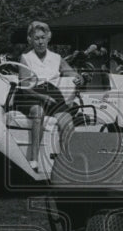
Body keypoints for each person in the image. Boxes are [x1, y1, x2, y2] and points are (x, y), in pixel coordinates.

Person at [15, 20, 81, 173]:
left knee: (67, 123)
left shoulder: (56, 57)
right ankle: (34, 160)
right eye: (36, 38)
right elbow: (25, 89)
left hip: (53, 94)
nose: (40, 41)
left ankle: (66, 165)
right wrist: (43, 98)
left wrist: (79, 77)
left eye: (42, 37)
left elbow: (71, 72)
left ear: (48, 38)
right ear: (30, 40)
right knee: (38, 112)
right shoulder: (26, 58)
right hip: (32, 95)